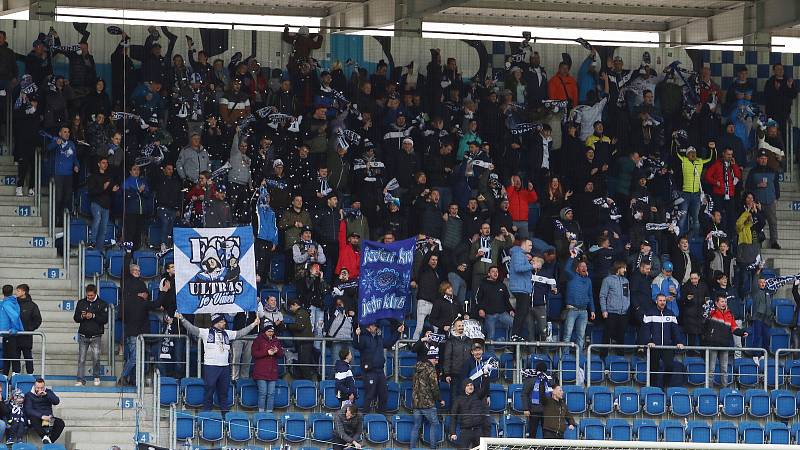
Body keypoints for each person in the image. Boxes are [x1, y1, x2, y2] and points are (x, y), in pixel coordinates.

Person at [176, 312, 259, 412]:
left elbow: (241, 332)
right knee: (209, 390)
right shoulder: (206, 332)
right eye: (222, 321)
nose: (224, 323)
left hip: (225, 367)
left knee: (224, 392)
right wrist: (182, 319)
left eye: (224, 321)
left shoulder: (228, 333)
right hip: (211, 367)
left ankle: (225, 414)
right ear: (216, 323)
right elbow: (192, 328)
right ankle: (207, 413)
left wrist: (253, 324)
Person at [352, 320, 403, 413]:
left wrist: (397, 332)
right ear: (369, 326)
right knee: (370, 394)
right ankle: (365, 416)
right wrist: (356, 335)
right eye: (375, 326)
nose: (376, 328)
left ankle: (381, 416)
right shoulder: (362, 337)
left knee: (383, 394)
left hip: (380, 370)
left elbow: (388, 343)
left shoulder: (378, 338)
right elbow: (356, 345)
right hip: (369, 371)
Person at [119, 264, 156, 386]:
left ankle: (134, 380)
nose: (138, 272)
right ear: (130, 272)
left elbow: (147, 296)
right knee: (135, 357)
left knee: (139, 358)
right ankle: (123, 376)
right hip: (132, 330)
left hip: (142, 329)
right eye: (135, 270)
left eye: (139, 270)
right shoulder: (127, 283)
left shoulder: (142, 285)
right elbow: (127, 296)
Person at [640, 294, 684, 389]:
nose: (662, 302)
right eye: (660, 300)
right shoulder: (649, 313)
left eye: (664, 300)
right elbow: (645, 330)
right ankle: (653, 388)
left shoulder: (671, 313)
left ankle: (664, 386)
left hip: (667, 346)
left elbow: (675, 330)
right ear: (656, 301)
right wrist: (648, 341)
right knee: (653, 369)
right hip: (654, 346)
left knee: (669, 367)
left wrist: (679, 342)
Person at [704, 294, 747, 386]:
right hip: (713, 344)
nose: (724, 303)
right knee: (711, 369)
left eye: (725, 302)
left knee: (724, 369)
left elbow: (734, 328)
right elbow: (705, 318)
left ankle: (725, 390)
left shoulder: (730, 314)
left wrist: (742, 333)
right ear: (717, 303)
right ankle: (708, 390)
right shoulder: (712, 312)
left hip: (724, 345)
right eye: (722, 301)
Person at [73, 284, 109, 386]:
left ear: (95, 293)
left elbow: (105, 320)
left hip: (96, 336)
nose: (89, 297)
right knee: (81, 358)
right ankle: (80, 379)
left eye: (91, 295)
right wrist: (82, 316)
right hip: (83, 335)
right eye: (88, 295)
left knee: (96, 358)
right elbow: (76, 318)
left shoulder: (102, 304)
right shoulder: (81, 303)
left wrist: (93, 315)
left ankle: (96, 377)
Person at [746, 149, 781, 249]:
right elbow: (748, 186)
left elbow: (776, 186)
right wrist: (757, 185)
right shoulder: (752, 172)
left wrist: (776, 198)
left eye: (765, 159)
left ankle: (774, 241)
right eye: (761, 158)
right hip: (757, 202)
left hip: (770, 201)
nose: (763, 160)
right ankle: (757, 241)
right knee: (756, 222)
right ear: (757, 159)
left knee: (773, 222)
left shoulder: (773, 171)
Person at [411, 346, 444, 449]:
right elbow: (434, 387)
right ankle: (433, 448)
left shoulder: (417, 368)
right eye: (436, 359)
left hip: (416, 403)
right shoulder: (431, 370)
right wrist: (440, 399)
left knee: (416, 426)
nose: (437, 362)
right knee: (435, 424)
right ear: (431, 358)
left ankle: (412, 448)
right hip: (427, 403)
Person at [562, 252, 594, 354]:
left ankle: (579, 356)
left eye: (585, 266)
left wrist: (592, 310)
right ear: (577, 269)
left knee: (581, 335)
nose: (584, 268)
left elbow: (590, 296)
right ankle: (565, 357)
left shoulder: (588, 280)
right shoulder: (572, 276)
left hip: (584, 311)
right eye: (582, 266)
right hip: (572, 310)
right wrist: (571, 256)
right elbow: (566, 269)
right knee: (568, 334)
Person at [449, 377, 490, 449]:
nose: (470, 387)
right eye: (467, 385)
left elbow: (485, 388)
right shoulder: (458, 399)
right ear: (464, 387)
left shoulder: (478, 396)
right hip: (465, 431)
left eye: (471, 385)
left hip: (478, 431)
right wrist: (453, 432)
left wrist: (485, 376)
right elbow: (453, 417)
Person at [86, 158, 118, 248]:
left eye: (106, 163)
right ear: (98, 164)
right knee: (97, 220)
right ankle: (92, 242)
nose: (105, 164)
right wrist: (103, 188)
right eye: (103, 163)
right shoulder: (93, 176)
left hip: (106, 205)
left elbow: (109, 191)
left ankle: (99, 248)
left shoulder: (109, 177)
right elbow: (91, 191)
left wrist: (113, 190)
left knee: (104, 228)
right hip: (96, 203)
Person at [599, 261, 630, 354]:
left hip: (623, 313)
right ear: (618, 269)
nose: (625, 270)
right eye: (623, 268)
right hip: (611, 312)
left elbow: (627, 296)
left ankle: (620, 357)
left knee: (621, 336)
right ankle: (603, 356)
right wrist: (604, 310)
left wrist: (626, 306)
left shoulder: (626, 281)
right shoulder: (607, 280)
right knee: (607, 335)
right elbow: (602, 295)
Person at [251, 324, 283, 412]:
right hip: (261, 371)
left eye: (272, 331)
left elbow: (281, 355)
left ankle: (269, 412)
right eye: (269, 331)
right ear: (264, 332)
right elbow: (254, 354)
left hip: (272, 372)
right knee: (263, 393)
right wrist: (267, 352)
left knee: (271, 393)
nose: (271, 333)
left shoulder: (276, 340)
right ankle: (261, 413)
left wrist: (277, 351)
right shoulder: (258, 340)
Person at [24, 378, 65, 444]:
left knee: (61, 423)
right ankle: (44, 436)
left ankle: (49, 441)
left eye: (42, 388)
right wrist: (41, 416)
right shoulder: (29, 395)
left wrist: (47, 395)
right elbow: (28, 410)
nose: (40, 390)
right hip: (37, 418)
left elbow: (56, 402)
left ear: (44, 386)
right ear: (34, 386)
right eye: (38, 388)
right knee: (32, 418)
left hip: (48, 418)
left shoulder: (48, 392)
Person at [509, 239, 534, 341]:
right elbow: (518, 268)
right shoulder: (518, 254)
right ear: (523, 245)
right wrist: (532, 265)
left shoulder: (520, 254)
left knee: (522, 312)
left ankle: (516, 334)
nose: (531, 247)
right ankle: (515, 334)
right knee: (521, 312)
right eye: (529, 245)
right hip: (520, 288)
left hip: (522, 287)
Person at [286, 298, 317, 380]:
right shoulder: (300, 313)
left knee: (304, 364)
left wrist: (288, 325)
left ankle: (309, 384)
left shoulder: (301, 313)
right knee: (302, 364)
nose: (290, 309)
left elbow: (299, 326)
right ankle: (303, 383)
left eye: (291, 306)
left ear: (295, 304)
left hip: (305, 342)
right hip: (303, 342)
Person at [522, 362, 554, 439]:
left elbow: (554, 394)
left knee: (547, 432)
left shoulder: (549, 381)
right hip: (534, 410)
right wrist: (526, 408)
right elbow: (524, 394)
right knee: (532, 432)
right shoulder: (531, 381)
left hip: (546, 410)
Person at [442, 318, 472, 398]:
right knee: (454, 396)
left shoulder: (469, 340)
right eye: (459, 326)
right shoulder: (450, 341)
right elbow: (447, 357)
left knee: (465, 397)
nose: (461, 327)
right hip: (454, 374)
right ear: (454, 328)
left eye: (462, 325)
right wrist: (447, 374)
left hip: (467, 373)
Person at [14, 285, 41, 375]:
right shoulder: (13, 304)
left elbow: (38, 320)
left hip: (26, 336)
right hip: (14, 336)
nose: (16, 292)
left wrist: (28, 329)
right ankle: (15, 376)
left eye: (18, 291)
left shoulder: (32, 305)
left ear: (23, 292)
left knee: (28, 356)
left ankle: (30, 375)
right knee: (15, 357)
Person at [0, 285, 23, 376]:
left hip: (9, 334)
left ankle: (11, 377)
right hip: (7, 334)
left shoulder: (7, 304)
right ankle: (8, 377)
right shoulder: (12, 302)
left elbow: (14, 316)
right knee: (9, 356)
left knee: (10, 356)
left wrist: (15, 329)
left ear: (3, 292)